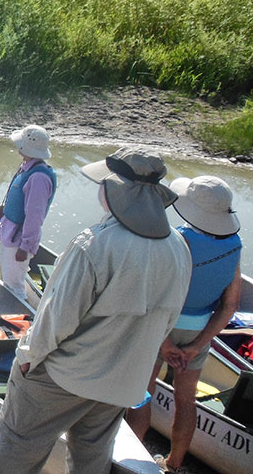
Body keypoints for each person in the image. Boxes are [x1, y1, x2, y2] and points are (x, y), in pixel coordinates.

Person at [0, 147, 192, 474]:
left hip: (66, 376)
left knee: (17, 449)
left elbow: (55, 320)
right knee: (91, 458)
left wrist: (26, 358)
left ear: (115, 191)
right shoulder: (179, 247)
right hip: (121, 382)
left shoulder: (94, 244)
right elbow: (167, 319)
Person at [125, 175, 242, 473]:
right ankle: (173, 465)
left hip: (160, 324)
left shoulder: (175, 238)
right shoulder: (235, 245)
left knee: (141, 393)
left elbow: (149, 293)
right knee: (186, 400)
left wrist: (164, 342)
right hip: (199, 330)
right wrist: (195, 347)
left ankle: (133, 464)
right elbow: (230, 305)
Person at [0, 124, 55, 300]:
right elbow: (13, 192)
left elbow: (35, 217)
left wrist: (25, 247)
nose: (19, 151)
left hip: (18, 240)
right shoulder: (27, 166)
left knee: (14, 286)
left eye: (22, 147)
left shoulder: (39, 178)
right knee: (8, 276)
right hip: (9, 232)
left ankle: (18, 318)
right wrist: (1, 211)